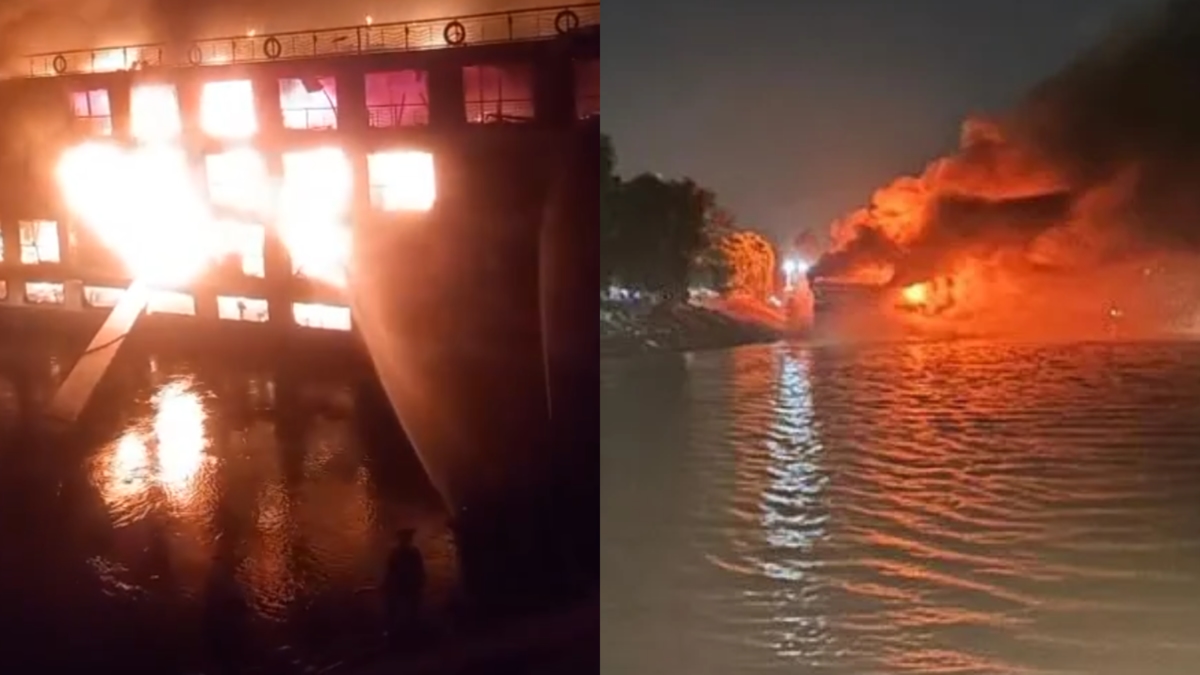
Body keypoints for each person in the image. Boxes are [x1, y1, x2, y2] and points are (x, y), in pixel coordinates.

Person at [383, 527, 426, 646]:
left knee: (410, 611)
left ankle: (407, 637)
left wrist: (420, 581)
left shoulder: (410, 552)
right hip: (402, 585)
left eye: (407, 537)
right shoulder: (399, 553)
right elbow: (391, 570)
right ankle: (400, 637)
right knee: (402, 611)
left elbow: (419, 569)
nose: (407, 540)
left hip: (408, 585)